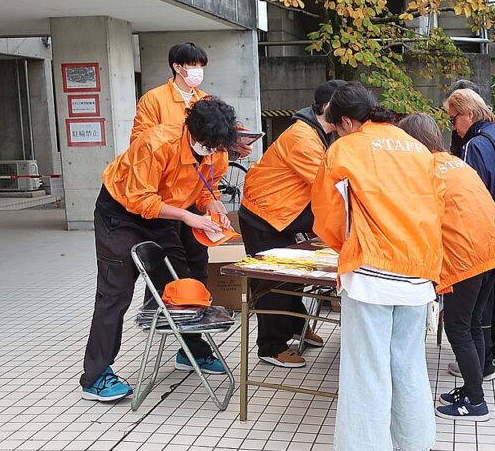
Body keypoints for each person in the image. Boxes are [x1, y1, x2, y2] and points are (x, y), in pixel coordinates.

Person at [311, 83, 445, 451]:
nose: (335, 133)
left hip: (370, 271)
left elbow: (327, 215)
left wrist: (345, 247)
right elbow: (436, 204)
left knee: (366, 366)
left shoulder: (345, 150)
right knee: (407, 361)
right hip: (418, 270)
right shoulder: (417, 149)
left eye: (335, 127)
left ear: (348, 121)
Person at [81, 98, 239, 402]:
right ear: (191, 131)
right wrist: (187, 216)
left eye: (219, 147)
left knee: (184, 282)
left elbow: (209, 189)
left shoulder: (216, 150)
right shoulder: (155, 144)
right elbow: (141, 201)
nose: (214, 151)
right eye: (208, 145)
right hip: (121, 214)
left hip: (165, 213)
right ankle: (95, 376)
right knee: (116, 292)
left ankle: (191, 349)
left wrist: (214, 209)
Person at [397, 113, 495, 422]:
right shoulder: (455, 162)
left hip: (466, 255)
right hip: (493, 248)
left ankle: (476, 402)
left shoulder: (423, 171)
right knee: (472, 322)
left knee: (457, 327)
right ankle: (472, 387)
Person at [129, 43, 252, 304]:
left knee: (197, 254)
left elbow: (214, 146)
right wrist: (176, 141)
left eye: (201, 66)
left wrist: (232, 144)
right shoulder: (154, 99)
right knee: (165, 260)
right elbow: (141, 144)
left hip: (194, 189)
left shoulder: (205, 100)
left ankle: (198, 305)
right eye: (193, 65)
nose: (198, 71)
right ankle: (160, 309)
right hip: (162, 194)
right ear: (177, 67)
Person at [238, 80, 344, 368]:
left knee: (294, 276)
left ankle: (295, 327)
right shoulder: (304, 138)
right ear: (325, 108)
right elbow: (330, 187)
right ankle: (270, 346)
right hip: (265, 215)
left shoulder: (320, 133)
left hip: (286, 213)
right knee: (273, 282)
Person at [444, 88, 495, 378]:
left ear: (468, 113)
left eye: (454, 119)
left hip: (483, 233)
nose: (453, 126)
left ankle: (484, 362)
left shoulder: (475, 145)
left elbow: (468, 194)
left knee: (479, 305)